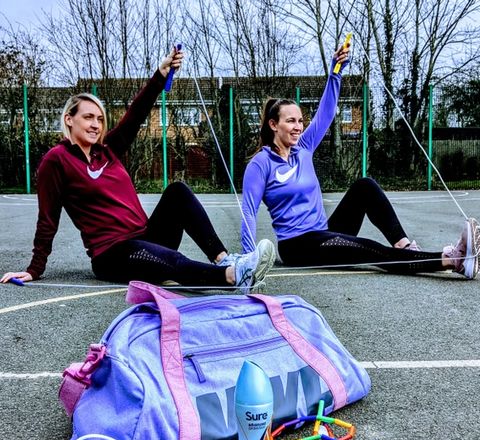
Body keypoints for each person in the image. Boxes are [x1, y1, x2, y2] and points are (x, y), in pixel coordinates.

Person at [1, 47, 275, 293]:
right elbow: (47, 219)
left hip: (145, 237)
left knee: (177, 192)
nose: (96, 124)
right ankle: (232, 276)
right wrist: (34, 268)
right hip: (112, 254)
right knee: (171, 262)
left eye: (100, 119)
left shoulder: (108, 150)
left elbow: (136, 114)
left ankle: (224, 259)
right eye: (88, 117)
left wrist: (161, 74)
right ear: (69, 119)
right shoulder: (56, 160)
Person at [240, 42, 479, 280]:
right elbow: (249, 213)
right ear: (273, 125)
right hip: (299, 246)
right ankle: (455, 260)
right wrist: (249, 263)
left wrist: (336, 70)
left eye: (300, 121)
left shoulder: (303, 148)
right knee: (365, 247)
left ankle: (405, 247)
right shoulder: (260, 164)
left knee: (365, 186)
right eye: (291, 121)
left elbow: (327, 112)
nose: (298, 127)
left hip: (325, 232)